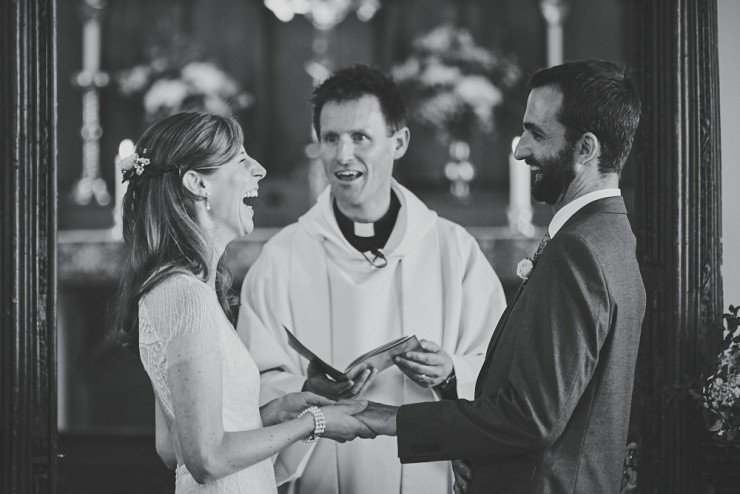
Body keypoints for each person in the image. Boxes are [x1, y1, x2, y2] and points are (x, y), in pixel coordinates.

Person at [354, 59, 646, 494]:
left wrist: (387, 419)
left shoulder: (579, 249)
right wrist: (479, 452)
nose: (519, 149)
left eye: (538, 134)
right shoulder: (610, 233)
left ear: (586, 149)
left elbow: (532, 417)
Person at [236, 64, 507, 494]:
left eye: (360, 137)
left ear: (398, 142)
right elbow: (249, 384)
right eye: (330, 138)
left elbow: (500, 368)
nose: (343, 155)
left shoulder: (453, 250)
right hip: (321, 475)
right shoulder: (282, 259)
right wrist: (305, 387)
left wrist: (451, 371)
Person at [112, 112, 375, 494]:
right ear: (197, 183)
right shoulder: (186, 297)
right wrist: (315, 422)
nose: (260, 170)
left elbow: (173, 448)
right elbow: (207, 460)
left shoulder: (173, 288)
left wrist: (278, 411)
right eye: (240, 159)